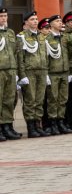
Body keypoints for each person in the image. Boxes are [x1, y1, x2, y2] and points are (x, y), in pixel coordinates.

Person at [17, 11, 51, 138]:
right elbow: (20, 58)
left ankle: (38, 125)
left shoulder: (41, 36)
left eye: (36, 19)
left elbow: (45, 56)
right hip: (29, 71)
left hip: (41, 71)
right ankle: (31, 127)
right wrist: (22, 75)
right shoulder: (21, 37)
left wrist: (46, 72)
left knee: (39, 100)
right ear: (26, 22)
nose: (35, 21)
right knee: (30, 100)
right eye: (32, 19)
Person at [44, 14, 72, 134]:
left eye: (61, 21)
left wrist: (69, 72)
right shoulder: (46, 39)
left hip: (64, 72)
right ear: (51, 24)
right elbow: (44, 58)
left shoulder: (64, 37)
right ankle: (53, 123)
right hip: (53, 73)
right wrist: (46, 74)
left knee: (63, 99)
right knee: (53, 99)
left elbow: (70, 55)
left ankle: (61, 121)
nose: (60, 23)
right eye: (57, 21)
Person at [0, 7, 21, 140]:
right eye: (1, 16)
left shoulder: (11, 33)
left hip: (11, 70)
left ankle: (7, 126)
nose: (3, 18)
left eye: (5, 16)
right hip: (0, 70)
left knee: (9, 100)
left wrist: (17, 71)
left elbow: (15, 52)